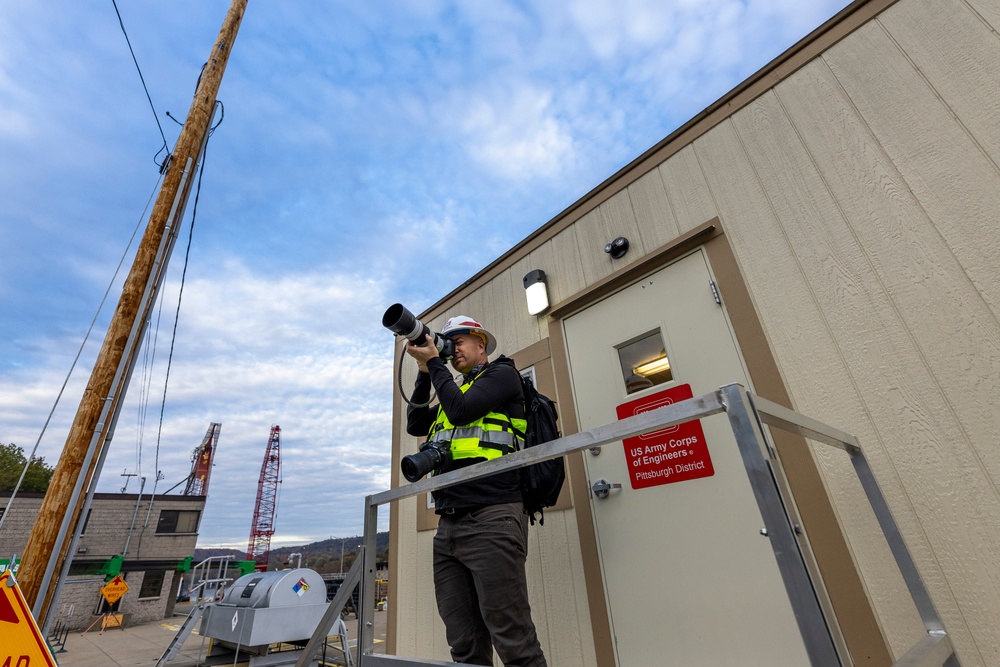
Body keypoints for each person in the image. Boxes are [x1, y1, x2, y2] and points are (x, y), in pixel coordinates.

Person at [405, 315, 547, 667]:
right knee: (464, 645)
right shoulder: (457, 390)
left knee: (514, 641)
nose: (453, 349)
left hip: (493, 516)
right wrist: (425, 371)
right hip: (449, 526)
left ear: (481, 344)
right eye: (447, 341)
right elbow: (415, 422)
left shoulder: (502, 376)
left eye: (459, 341)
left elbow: (461, 411)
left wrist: (435, 360)